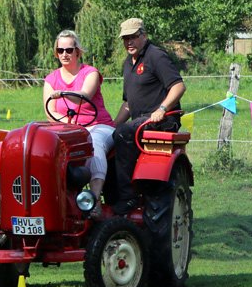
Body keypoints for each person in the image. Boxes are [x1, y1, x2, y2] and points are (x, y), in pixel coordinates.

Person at [112, 18, 186, 215]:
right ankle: (109, 195)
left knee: (123, 133)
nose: (129, 42)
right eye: (125, 38)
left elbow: (178, 86)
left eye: (133, 37)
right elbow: (128, 103)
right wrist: (112, 123)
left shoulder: (156, 56)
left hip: (163, 120)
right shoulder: (128, 63)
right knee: (113, 134)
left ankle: (128, 197)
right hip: (139, 120)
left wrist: (162, 108)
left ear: (144, 35)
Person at [42, 30, 115, 216]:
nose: (64, 54)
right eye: (60, 50)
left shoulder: (90, 73)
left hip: (97, 125)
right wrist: (68, 123)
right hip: (68, 129)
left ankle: (93, 200)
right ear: (56, 53)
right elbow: (50, 112)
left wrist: (64, 94)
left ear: (78, 52)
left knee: (94, 142)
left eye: (69, 49)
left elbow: (85, 96)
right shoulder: (51, 79)